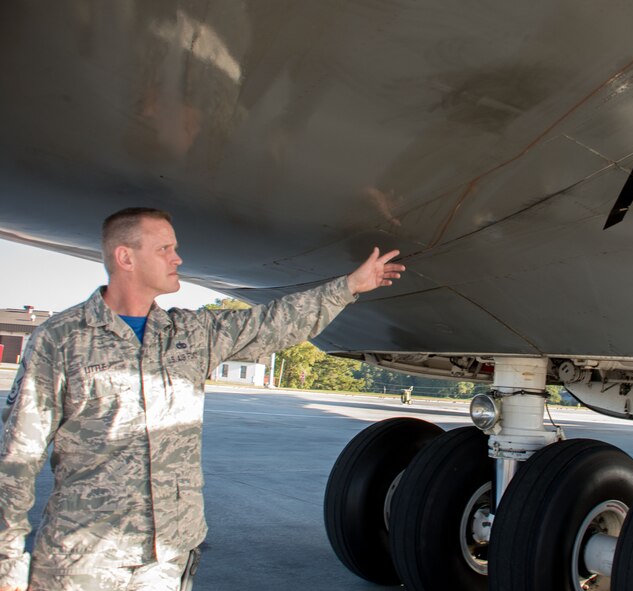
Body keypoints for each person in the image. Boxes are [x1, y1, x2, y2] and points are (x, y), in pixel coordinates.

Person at [0, 207, 405, 591]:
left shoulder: (189, 334)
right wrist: (7, 563)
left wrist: (349, 286)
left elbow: (272, 324)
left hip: (168, 558)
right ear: (126, 257)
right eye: (165, 249)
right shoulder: (60, 339)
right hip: (84, 559)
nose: (177, 258)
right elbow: (18, 456)